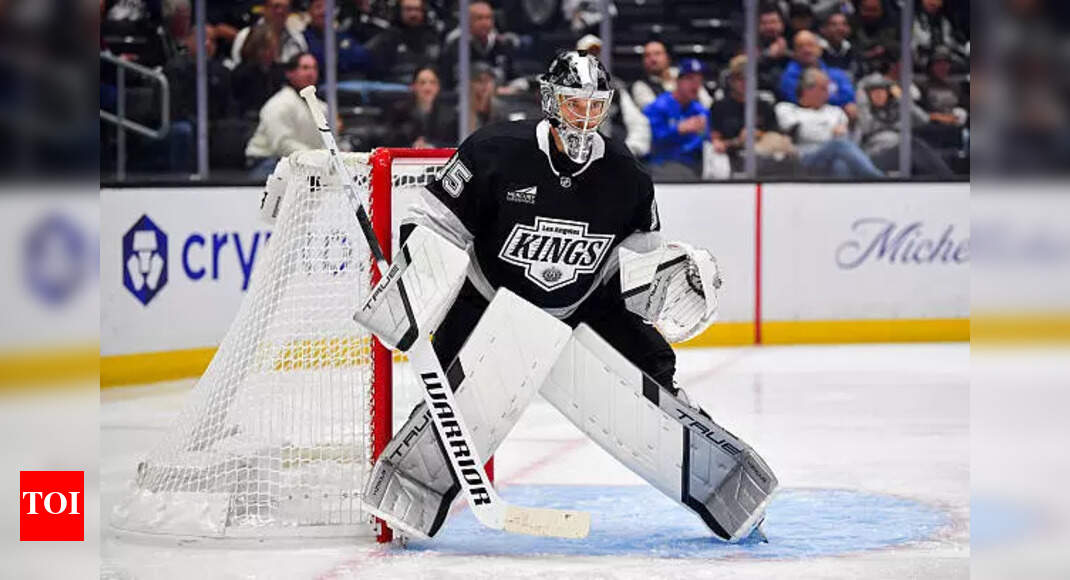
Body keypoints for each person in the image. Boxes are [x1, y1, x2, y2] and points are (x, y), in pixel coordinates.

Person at [356, 50, 765, 543]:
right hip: (489, 297)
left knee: (655, 365)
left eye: (595, 106)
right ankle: (411, 494)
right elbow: (436, 222)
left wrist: (662, 284)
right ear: (551, 100)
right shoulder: (495, 149)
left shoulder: (626, 174)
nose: (585, 117)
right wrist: (415, 278)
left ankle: (717, 475)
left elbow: (639, 258)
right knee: (446, 393)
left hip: (587, 301)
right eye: (574, 104)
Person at [775, 67, 884, 178]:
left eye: (828, 88)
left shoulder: (835, 112)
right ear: (807, 89)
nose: (828, 94)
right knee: (839, 144)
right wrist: (831, 132)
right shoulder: (786, 109)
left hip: (833, 157)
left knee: (840, 164)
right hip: (804, 157)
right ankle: (877, 179)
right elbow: (802, 133)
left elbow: (845, 137)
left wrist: (828, 133)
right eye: (823, 89)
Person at [245, 52, 327, 178]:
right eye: (305, 68)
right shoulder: (279, 103)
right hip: (268, 161)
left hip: (306, 162)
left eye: (314, 68)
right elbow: (282, 144)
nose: (311, 73)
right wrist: (315, 158)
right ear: (290, 73)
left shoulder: (322, 107)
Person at [709, 55, 790, 174]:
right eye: (740, 78)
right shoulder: (719, 107)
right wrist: (738, 141)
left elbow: (775, 134)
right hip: (731, 155)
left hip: (764, 153)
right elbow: (715, 140)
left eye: (748, 78)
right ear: (731, 80)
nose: (744, 83)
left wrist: (757, 134)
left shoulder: (764, 105)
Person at [856, 78, 953, 177]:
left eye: (882, 92)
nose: (879, 95)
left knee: (917, 148)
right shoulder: (864, 112)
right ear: (868, 96)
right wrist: (862, 97)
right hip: (876, 155)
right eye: (874, 93)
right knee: (913, 145)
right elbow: (865, 127)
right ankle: (948, 179)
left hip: (901, 152)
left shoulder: (897, 109)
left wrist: (901, 97)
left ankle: (945, 179)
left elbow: (922, 119)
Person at [576, 35, 651, 158]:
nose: (593, 59)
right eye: (588, 54)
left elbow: (639, 124)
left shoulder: (615, 89)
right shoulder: (566, 90)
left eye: (597, 54)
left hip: (610, 158)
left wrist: (627, 151)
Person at [643, 58, 710, 179]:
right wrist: (678, 130)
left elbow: (708, 140)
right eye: (690, 79)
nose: (695, 84)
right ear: (678, 81)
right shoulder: (658, 106)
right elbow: (649, 141)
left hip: (695, 166)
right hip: (663, 166)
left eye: (699, 80)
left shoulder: (700, 110)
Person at [439, 1, 518, 87]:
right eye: (479, 18)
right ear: (467, 21)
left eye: (488, 18)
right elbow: (446, 83)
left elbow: (515, 77)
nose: (485, 23)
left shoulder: (501, 45)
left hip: (498, 98)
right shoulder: (456, 45)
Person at [779, 30, 857, 116]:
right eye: (800, 46)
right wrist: (836, 101)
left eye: (810, 45)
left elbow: (849, 97)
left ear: (819, 49)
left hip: (834, 117)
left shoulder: (836, 74)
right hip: (804, 116)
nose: (806, 50)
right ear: (794, 51)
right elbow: (805, 100)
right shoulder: (788, 76)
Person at [365, 0, 442, 83]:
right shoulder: (387, 38)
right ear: (399, 11)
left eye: (417, 9)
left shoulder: (432, 38)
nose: (413, 14)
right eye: (408, 9)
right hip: (395, 89)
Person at [383, 66, 456, 148]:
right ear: (413, 87)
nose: (427, 88)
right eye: (422, 83)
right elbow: (390, 142)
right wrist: (412, 146)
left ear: (438, 87)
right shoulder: (400, 112)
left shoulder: (449, 115)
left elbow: (455, 144)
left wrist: (432, 146)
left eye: (432, 82)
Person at [630, 40, 713, 111]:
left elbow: (707, 104)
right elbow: (654, 111)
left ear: (667, 57)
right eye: (647, 56)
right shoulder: (640, 86)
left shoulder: (684, 75)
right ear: (643, 62)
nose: (653, 59)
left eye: (657, 54)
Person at [302, 0, 374, 79]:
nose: (324, 11)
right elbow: (322, 63)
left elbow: (364, 58)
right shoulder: (303, 38)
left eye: (328, 7)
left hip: (354, 83)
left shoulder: (344, 36)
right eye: (318, 7)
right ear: (309, 11)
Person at [229, 0, 307, 68]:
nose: (280, 11)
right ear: (265, 9)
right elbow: (238, 66)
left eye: (285, 8)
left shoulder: (298, 38)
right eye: (276, 6)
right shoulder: (245, 35)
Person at [231, 25, 286, 117]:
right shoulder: (241, 73)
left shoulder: (280, 71)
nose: (271, 51)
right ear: (255, 47)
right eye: (267, 47)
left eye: (274, 46)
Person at [757, 3, 792, 92]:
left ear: (782, 24)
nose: (770, 27)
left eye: (773, 22)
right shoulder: (750, 45)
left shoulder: (793, 41)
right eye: (764, 23)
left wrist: (786, 53)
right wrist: (768, 55)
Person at [818, 12, 859, 80]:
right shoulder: (817, 51)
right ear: (823, 29)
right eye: (834, 25)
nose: (840, 29)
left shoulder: (852, 49)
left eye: (844, 24)